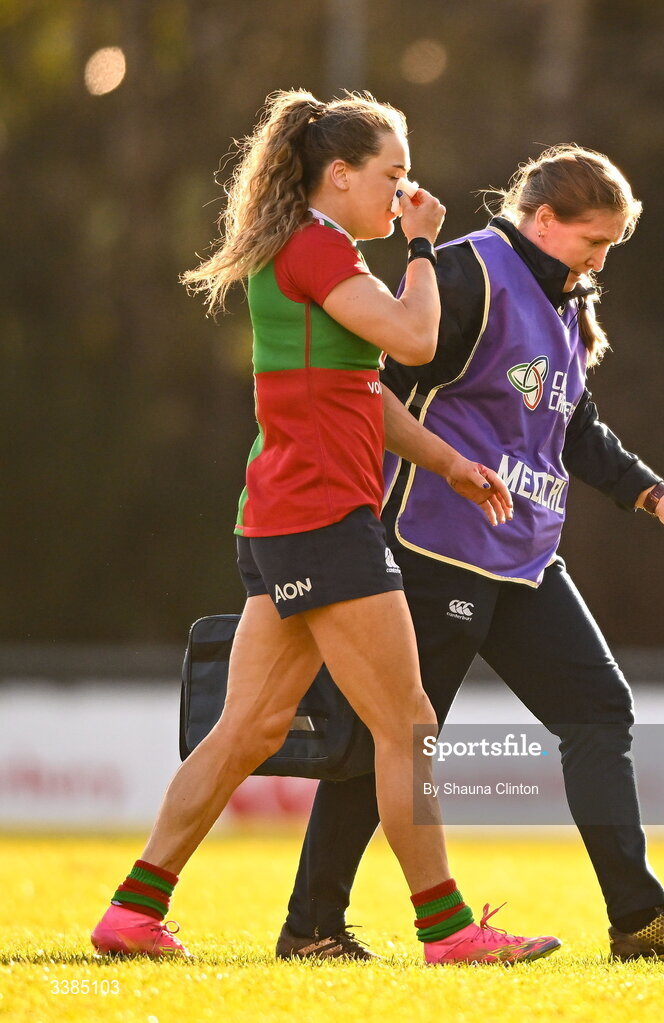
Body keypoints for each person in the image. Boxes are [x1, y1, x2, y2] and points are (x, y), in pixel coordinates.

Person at [90, 89, 561, 966]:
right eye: (393, 174)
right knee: (406, 720)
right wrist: (424, 243)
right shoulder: (317, 247)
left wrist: (447, 462)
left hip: (287, 516)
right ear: (339, 176)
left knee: (250, 727)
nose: (404, 190)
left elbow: (361, 388)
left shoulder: (318, 250)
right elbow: (414, 341)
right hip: (321, 519)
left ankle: (132, 911)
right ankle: (447, 929)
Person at [276, 144, 664, 963]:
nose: (600, 261)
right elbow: (366, 381)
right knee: (396, 733)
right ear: (543, 219)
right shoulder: (471, 273)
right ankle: (312, 927)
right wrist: (440, 468)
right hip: (434, 545)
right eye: (592, 242)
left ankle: (639, 921)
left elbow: (576, 430)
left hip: (526, 555)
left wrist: (662, 501)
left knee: (599, 708)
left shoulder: (564, 300)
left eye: (610, 248)